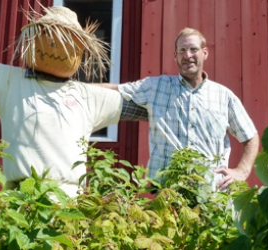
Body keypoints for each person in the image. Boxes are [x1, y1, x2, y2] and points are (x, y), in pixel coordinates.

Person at [0, 6, 147, 197]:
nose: (54, 45)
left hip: (70, 201)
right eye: (49, 37)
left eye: (64, 39)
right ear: (33, 39)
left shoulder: (87, 96)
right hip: (21, 197)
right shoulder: (9, 81)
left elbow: (135, 106)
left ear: (80, 49)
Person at [100, 27, 259, 191]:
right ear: (175, 56)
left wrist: (241, 171)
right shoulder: (156, 87)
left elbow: (250, 136)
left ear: (205, 53)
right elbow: (115, 89)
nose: (187, 55)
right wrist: (76, 88)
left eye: (193, 49)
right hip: (168, 193)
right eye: (182, 50)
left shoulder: (224, 96)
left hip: (212, 194)